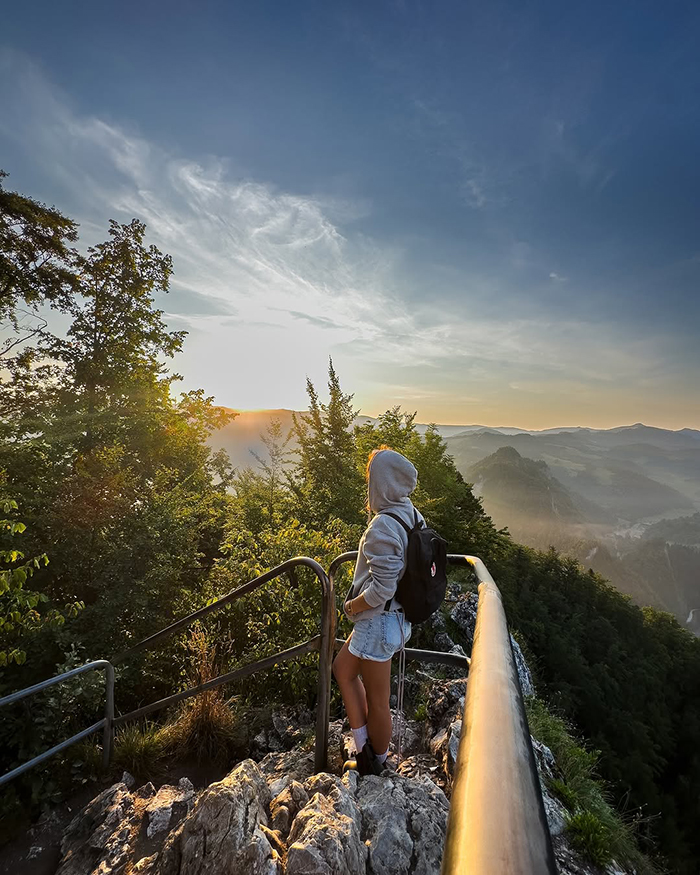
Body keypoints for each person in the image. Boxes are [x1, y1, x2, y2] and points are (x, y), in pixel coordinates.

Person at [332, 447, 424, 775]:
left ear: (380, 484)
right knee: (343, 669)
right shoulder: (411, 514)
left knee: (379, 701)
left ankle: (377, 765)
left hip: (378, 621)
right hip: (394, 618)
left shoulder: (382, 526)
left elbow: (383, 588)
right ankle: (364, 748)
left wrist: (351, 606)